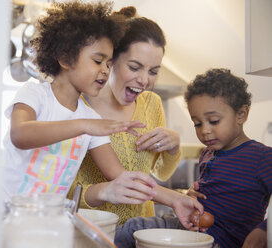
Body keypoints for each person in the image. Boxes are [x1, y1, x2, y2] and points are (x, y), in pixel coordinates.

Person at [2, 0, 158, 198]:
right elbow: (20, 136)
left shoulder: (90, 119)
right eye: (98, 61)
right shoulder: (34, 94)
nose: (105, 70)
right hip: (6, 214)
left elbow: (119, 175)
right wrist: (84, 125)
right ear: (66, 59)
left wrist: (176, 199)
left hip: (50, 219)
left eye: (109, 64)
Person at [67, 5, 203, 232]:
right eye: (134, 67)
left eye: (153, 71)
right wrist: (104, 190)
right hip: (91, 233)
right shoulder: (79, 107)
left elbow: (160, 173)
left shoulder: (152, 104)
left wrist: (173, 145)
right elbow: (64, 194)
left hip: (142, 232)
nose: (144, 80)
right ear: (111, 61)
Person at [116, 68, 272, 248]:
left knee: (133, 229)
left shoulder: (262, 157)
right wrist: (190, 196)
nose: (204, 130)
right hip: (190, 233)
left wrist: (264, 229)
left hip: (225, 242)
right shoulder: (207, 153)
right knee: (133, 230)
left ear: (241, 114)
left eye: (213, 121)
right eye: (197, 123)